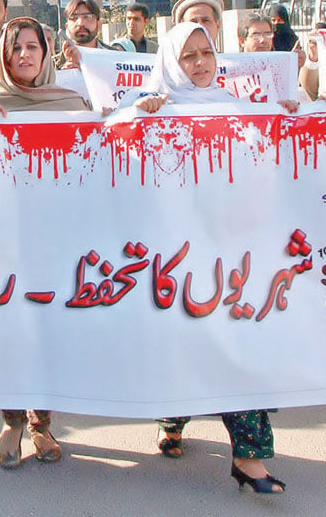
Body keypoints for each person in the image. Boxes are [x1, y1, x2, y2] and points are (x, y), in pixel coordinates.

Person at [121, 24, 288, 494]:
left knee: (237, 350)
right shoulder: (152, 107)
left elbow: (265, 165)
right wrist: (141, 114)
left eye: (205, 53)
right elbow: (116, 152)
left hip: (229, 257)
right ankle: (172, 421)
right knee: (182, 347)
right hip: (173, 259)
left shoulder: (232, 107)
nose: (199, 63)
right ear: (173, 61)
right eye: (188, 55)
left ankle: (249, 460)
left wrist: (288, 117)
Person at [0, 17, 88, 468]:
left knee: (48, 328)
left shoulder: (71, 102)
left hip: (56, 237)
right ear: (3, 54)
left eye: (32, 47)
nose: (24, 55)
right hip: (4, 239)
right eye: (14, 47)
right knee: (10, 328)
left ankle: (42, 424)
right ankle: (12, 420)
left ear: (45, 52)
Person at [54, 0, 115, 69]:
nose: (80, 23)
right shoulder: (51, 64)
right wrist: (64, 74)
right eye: (74, 18)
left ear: (98, 25)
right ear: (67, 27)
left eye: (87, 17)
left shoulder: (116, 57)